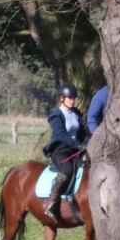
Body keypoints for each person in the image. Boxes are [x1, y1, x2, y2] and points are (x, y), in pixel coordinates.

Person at [42, 83, 90, 219]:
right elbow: (62, 135)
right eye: (70, 98)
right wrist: (77, 145)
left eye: (74, 98)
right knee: (68, 170)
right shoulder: (55, 116)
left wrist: (87, 142)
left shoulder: (76, 113)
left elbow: (81, 133)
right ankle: (51, 201)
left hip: (76, 148)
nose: (73, 100)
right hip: (60, 150)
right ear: (61, 98)